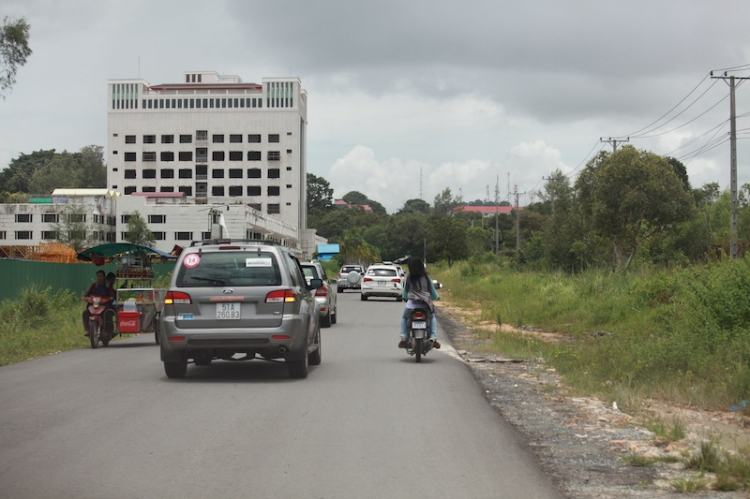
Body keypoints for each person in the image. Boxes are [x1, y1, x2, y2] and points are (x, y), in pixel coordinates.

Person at [399, 257, 440, 349]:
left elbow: (405, 292)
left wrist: (405, 298)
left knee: (404, 318)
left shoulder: (409, 277)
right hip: (425, 305)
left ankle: (403, 337)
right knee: (432, 317)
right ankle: (433, 337)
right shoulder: (426, 277)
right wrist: (436, 297)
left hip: (411, 305)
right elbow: (432, 292)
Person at [81, 270, 116, 335]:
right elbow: (88, 293)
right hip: (95, 304)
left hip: (105, 304)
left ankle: (109, 331)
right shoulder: (94, 285)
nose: (100, 278)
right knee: (85, 313)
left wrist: (111, 297)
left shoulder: (108, 285)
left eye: (101, 276)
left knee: (107, 313)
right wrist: (84, 297)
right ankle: (88, 330)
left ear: (104, 277)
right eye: (98, 276)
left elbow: (112, 293)